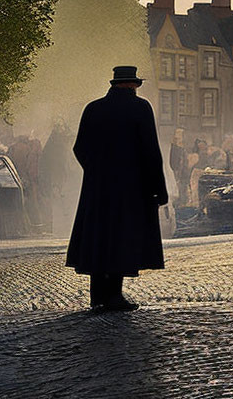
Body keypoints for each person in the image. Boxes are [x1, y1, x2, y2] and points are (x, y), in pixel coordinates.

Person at [66, 66, 168, 311]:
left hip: (97, 188)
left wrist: (96, 171)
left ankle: (97, 296)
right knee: (122, 238)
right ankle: (114, 295)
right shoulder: (140, 108)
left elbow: (79, 148)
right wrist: (158, 188)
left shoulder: (93, 109)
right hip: (130, 187)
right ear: (132, 85)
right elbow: (151, 151)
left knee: (99, 237)